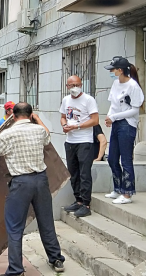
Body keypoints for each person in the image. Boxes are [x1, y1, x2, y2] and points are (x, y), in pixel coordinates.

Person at [0, 103, 65, 275]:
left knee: (14, 226)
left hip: (20, 183)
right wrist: (38, 120)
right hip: (41, 181)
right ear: (31, 115)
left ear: (13, 116)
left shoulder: (7, 134)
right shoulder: (39, 131)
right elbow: (47, 136)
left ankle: (16, 269)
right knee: (46, 221)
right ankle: (56, 259)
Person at [104, 56, 144, 205]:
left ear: (120, 70)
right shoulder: (116, 83)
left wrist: (114, 117)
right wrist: (109, 116)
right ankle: (118, 188)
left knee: (125, 159)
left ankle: (127, 193)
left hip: (127, 124)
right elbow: (113, 104)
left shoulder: (133, 86)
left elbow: (134, 110)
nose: (112, 72)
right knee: (112, 158)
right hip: (116, 123)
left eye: (113, 69)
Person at [60, 76, 99, 218]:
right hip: (70, 141)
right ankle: (78, 200)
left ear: (81, 85)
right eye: (72, 85)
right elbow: (63, 116)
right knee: (73, 172)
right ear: (67, 86)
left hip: (85, 140)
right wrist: (64, 125)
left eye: (77, 84)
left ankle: (86, 204)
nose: (75, 87)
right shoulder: (66, 100)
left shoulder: (88, 100)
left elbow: (95, 120)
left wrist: (77, 126)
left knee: (84, 172)